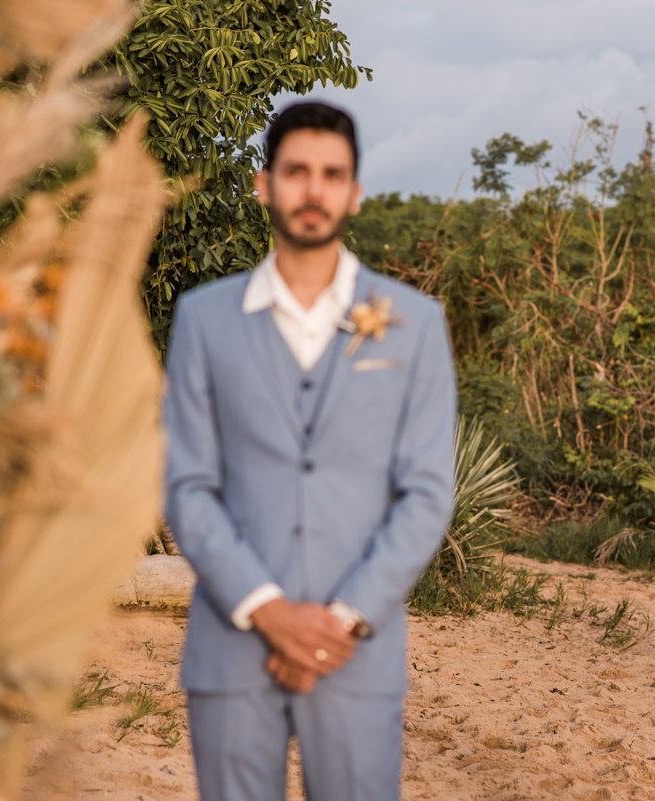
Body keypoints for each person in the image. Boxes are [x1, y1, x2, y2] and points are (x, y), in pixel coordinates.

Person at [163, 101, 456, 801]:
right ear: (266, 185)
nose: (314, 190)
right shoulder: (203, 318)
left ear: (355, 192)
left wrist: (338, 621)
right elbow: (186, 484)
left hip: (357, 653)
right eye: (297, 171)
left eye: (332, 174)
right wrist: (269, 610)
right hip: (231, 653)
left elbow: (426, 492)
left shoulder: (415, 324)